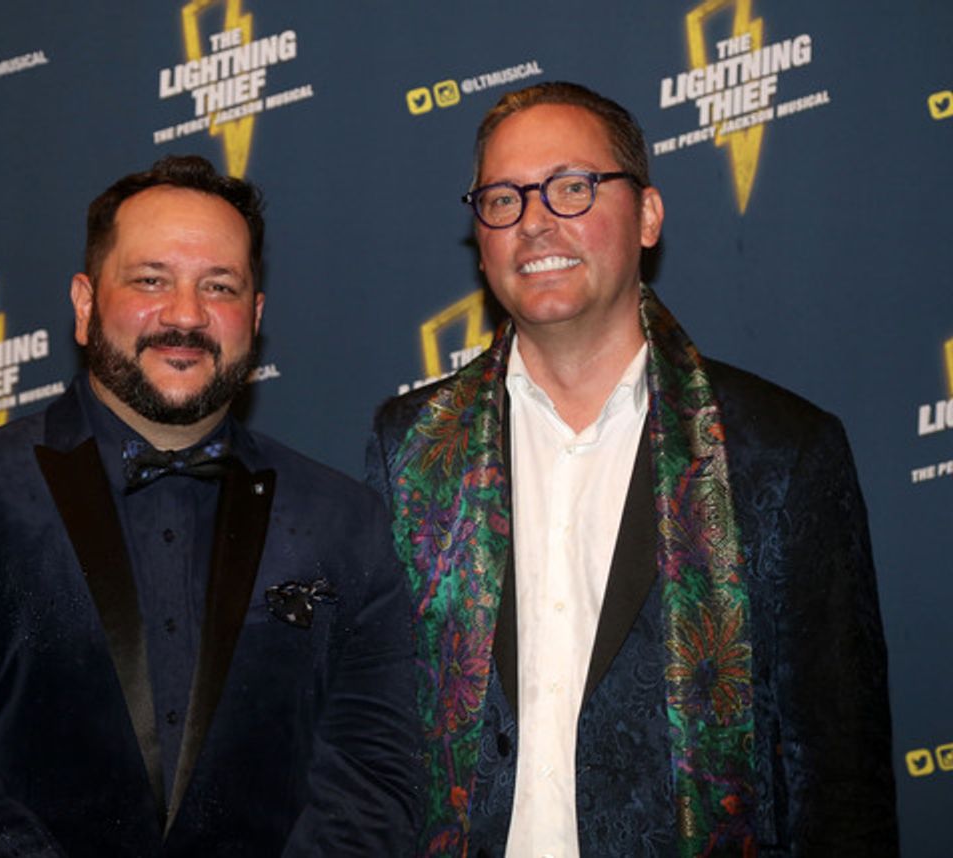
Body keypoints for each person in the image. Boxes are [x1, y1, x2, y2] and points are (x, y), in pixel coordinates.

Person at [366, 82, 897, 857]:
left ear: (648, 215)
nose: (535, 220)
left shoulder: (781, 452)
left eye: (573, 188)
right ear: (478, 234)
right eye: (502, 199)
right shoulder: (411, 448)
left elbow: (840, 781)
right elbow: (369, 734)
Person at [0, 155, 418, 857]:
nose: (185, 315)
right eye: (151, 281)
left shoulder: (346, 521)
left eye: (220, 286)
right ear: (86, 305)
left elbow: (375, 778)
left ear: (256, 316)